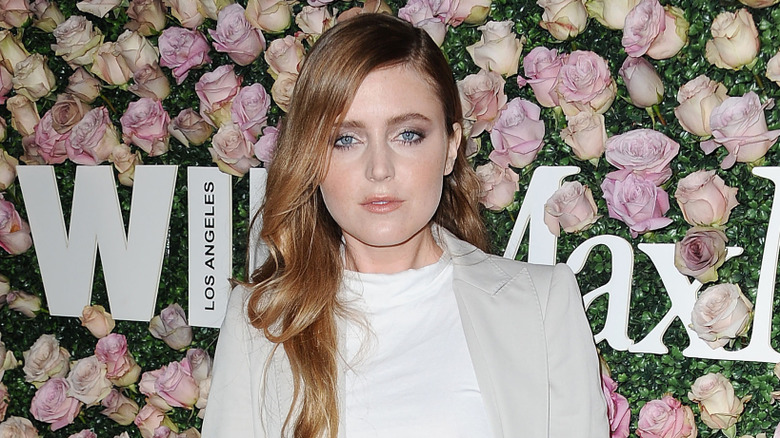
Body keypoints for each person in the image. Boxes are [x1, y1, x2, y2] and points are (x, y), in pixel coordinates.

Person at [202, 12, 609, 438]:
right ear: (311, 157)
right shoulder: (260, 320)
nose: (379, 169)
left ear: (451, 147)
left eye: (408, 135)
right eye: (346, 139)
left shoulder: (542, 307)